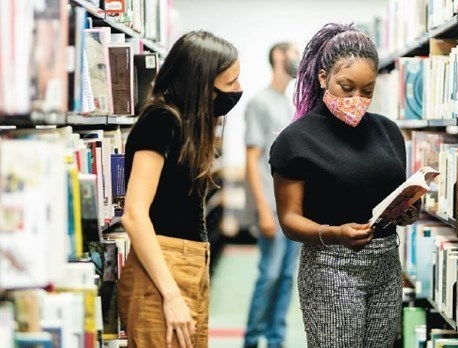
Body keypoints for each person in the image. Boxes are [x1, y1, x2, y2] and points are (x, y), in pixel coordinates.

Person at [269, 23, 420, 348]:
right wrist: (335, 233)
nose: (357, 99)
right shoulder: (296, 141)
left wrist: (407, 211)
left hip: (386, 267)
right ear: (324, 77)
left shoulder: (389, 132)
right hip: (330, 268)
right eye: (346, 87)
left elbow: (388, 194)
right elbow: (290, 221)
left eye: (366, 91)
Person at [119, 30, 242, 348]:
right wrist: (170, 294)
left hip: (188, 263)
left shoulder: (187, 125)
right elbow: (134, 214)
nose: (237, 91)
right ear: (201, 84)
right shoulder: (161, 121)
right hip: (163, 268)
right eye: (230, 84)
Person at [243, 42, 301, 348]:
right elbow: (251, 160)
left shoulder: (288, 104)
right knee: (269, 276)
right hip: (270, 208)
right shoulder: (260, 103)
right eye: (293, 52)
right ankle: (251, 341)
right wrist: (263, 210)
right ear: (279, 57)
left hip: (291, 210)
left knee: (285, 278)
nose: (298, 57)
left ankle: (275, 340)